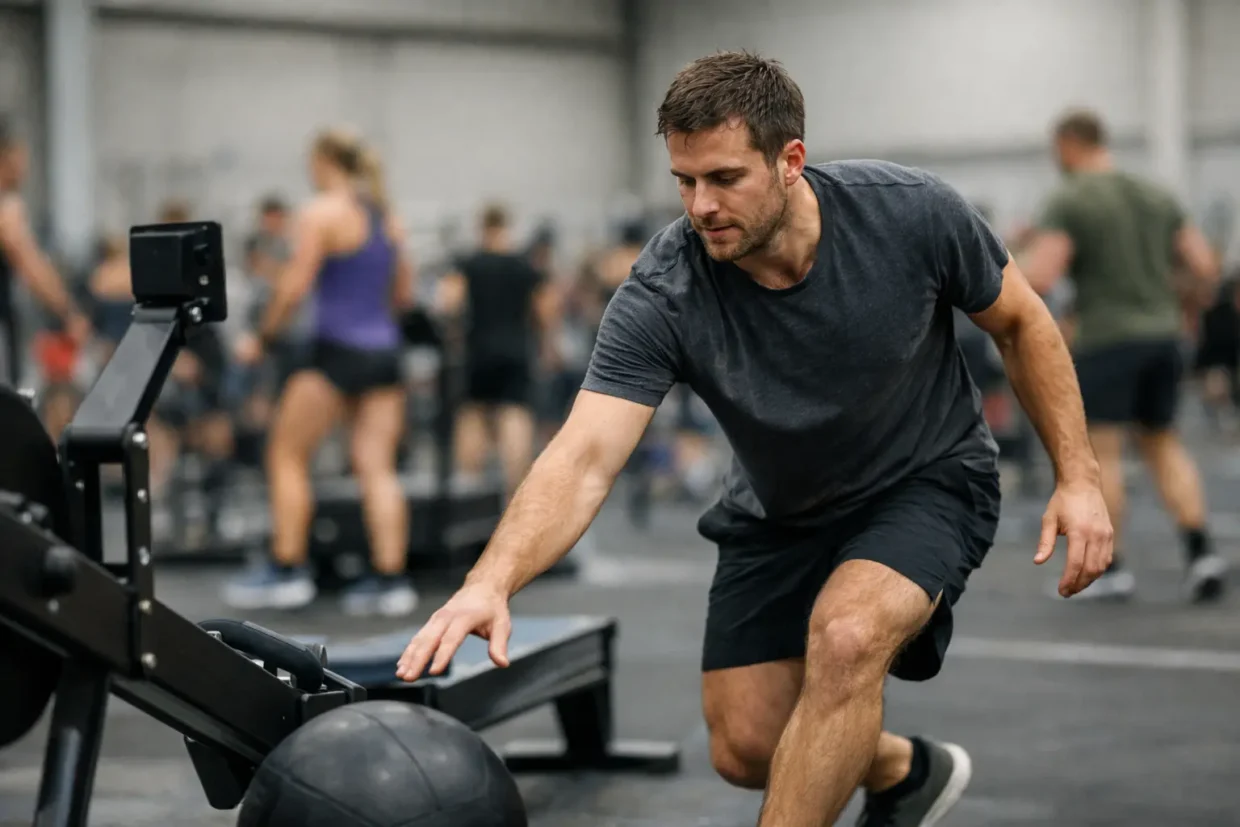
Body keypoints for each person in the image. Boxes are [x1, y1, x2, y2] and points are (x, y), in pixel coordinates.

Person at [395, 52, 1113, 827]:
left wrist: (1078, 475)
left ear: (790, 161)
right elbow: (584, 455)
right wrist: (490, 580)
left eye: (725, 178)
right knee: (745, 748)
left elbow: (1023, 321)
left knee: (846, 636)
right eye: (684, 181)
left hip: (925, 479)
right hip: (779, 508)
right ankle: (905, 769)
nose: (700, 205)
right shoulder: (666, 287)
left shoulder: (911, 214)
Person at [1021, 109, 1226, 603]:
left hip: (1105, 340)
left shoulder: (1070, 198)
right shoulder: (1153, 194)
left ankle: (1109, 570)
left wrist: (1007, 256)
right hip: (1163, 337)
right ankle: (1201, 553)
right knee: (1163, 443)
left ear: (1070, 144)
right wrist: (1177, 304)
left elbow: (1042, 276)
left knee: (1102, 452)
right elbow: (1203, 265)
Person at [221, 128, 419, 618]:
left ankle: (288, 569)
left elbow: (294, 285)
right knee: (377, 467)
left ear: (325, 160)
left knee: (286, 453)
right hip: (383, 353)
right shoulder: (387, 216)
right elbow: (403, 296)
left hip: (334, 351)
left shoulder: (319, 212)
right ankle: (390, 580)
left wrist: (261, 338)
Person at [437, 203, 557, 500]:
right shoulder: (525, 266)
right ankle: (514, 494)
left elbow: (447, 302)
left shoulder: (469, 263)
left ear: (482, 227)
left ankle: (469, 491)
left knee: (473, 414)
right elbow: (546, 311)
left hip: (478, 350)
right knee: (514, 415)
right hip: (516, 350)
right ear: (507, 226)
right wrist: (547, 345)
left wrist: (453, 332)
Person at [0, 116, 89, 385]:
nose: (26, 165)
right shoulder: (6, 207)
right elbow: (31, 266)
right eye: (21, 154)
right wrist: (69, 313)